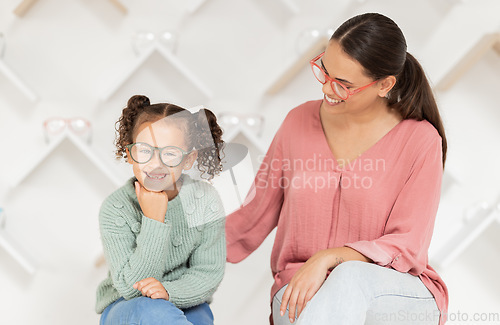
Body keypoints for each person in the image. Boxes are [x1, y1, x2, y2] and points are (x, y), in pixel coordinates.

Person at [225, 13, 448, 325]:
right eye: (324, 72)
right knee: (330, 298)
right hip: (300, 290)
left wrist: (330, 257)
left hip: (391, 292)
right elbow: (251, 216)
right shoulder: (298, 122)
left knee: (348, 277)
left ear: (384, 84)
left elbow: (408, 244)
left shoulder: (421, 141)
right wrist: (171, 243)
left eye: (344, 84)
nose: (327, 89)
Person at [95, 95, 226, 325]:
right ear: (129, 153)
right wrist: (154, 219)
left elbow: (208, 273)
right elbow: (131, 288)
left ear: (188, 159)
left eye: (170, 153)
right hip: (125, 306)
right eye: (145, 151)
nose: (156, 164)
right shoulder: (115, 208)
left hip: (185, 300)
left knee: (200, 318)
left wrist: (167, 291)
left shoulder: (205, 200)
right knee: (156, 313)